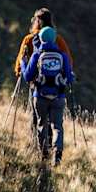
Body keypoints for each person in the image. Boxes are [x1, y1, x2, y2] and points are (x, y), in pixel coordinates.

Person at [22, 26, 75, 164]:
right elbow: (69, 78)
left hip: (40, 96)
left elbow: (28, 77)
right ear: (54, 39)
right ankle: (57, 154)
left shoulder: (37, 55)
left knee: (41, 124)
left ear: (40, 38)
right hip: (58, 97)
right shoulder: (62, 56)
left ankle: (44, 152)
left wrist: (23, 63)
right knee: (57, 126)